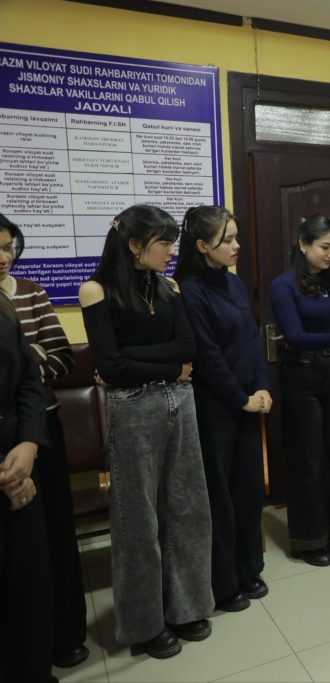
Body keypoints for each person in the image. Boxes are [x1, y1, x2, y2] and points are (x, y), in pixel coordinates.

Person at [79, 204, 213, 659]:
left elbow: (188, 346)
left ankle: (187, 606)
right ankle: (144, 624)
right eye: (164, 242)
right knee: (138, 520)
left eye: (173, 241)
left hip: (180, 402)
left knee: (188, 507)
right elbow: (111, 365)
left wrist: (145, 359)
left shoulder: (169, 287)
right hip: (133, 407)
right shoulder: (95, 291)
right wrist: (171, 366)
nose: (172, 251)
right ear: (134, 245)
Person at [0, 215, 88, 668]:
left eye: (8, 246)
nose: (3, 256)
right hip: (5, 437)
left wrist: (26, 361)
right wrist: (26, 359)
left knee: (53, 534)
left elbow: (61, 358)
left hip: (39, 429)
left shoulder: (31, 292)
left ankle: (64, 634)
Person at [176, 206, 272, 612]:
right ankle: (223, 582)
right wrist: (240, 397)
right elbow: (207, 354)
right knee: (219, 496)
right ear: (201, 245)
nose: (236, 246)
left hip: (247, 400)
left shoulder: (233, 283)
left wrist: (262, 386)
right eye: (227, 240)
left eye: (236, 237)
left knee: (248, 490)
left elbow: (252, 337)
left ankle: (249, 569)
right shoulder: (189, 290)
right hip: (216, 406)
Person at [271, 214, 330, 567]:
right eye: (325, 247)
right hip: (303, 376)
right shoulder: (283, 286)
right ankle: (308, 540)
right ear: (303, 244)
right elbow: (296, 337)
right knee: (308, 459)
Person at [0, 291, 55, 682]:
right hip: (9, 472)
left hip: (19, 461)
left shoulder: (3, 307)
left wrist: (29, 444)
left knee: (27, 585)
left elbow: (27, 381)